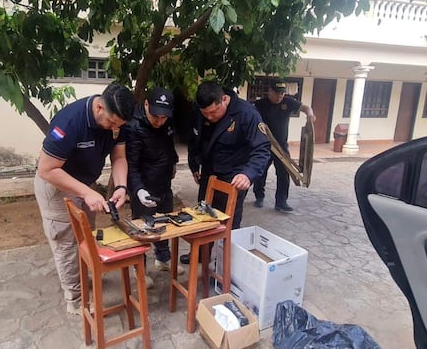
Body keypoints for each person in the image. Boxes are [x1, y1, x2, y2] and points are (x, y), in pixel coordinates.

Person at [34, 82, 135, 315]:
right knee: (67, 242)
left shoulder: (117, 121)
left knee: (84, 238)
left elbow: (119, 156)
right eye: (111, 123)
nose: (114, 129)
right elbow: (47, 169)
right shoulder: (70, 121)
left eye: (118, 126)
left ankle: (82, 280)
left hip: (83, 182)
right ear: (99, 107)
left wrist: (120, 186)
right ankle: (76, 299)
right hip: (56, 184)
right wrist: (88, 193)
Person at [184, 81, 271, 264]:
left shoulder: (247, 114)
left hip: (234, 177)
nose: (210, 117)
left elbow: (262, 149)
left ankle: (224, 265)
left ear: (224, 99)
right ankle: (202, 255)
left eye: (213, 112)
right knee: (203, 216)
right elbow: (195, 139)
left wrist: (248, 174)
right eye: (205, 113)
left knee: (228, 224)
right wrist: (194, 165)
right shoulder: (202, 110)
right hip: (209, 173)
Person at [125, 87, 185, 279]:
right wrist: (139, 190)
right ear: (146, 105)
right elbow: (131, 166)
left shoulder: (167, 119)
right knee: (143, 228)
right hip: (143, 187)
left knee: (163, 223)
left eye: (164, 118)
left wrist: (173, 161)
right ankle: (140, 270)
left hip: (164, 183)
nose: (160, 121)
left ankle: (163, 259)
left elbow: (169, 144)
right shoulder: (134, 128)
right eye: (155, 117)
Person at [253, 80, 315, 212]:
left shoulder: (289, 102)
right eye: (277, 93)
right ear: (270, 91)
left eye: (282, 93)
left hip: (281, 146)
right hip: (264, 145)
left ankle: (281, 202)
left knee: (283, 173)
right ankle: (259, 196)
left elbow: (305, 108)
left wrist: (310, 114)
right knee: (260, 172)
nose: (280, 96)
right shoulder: (260, 104)